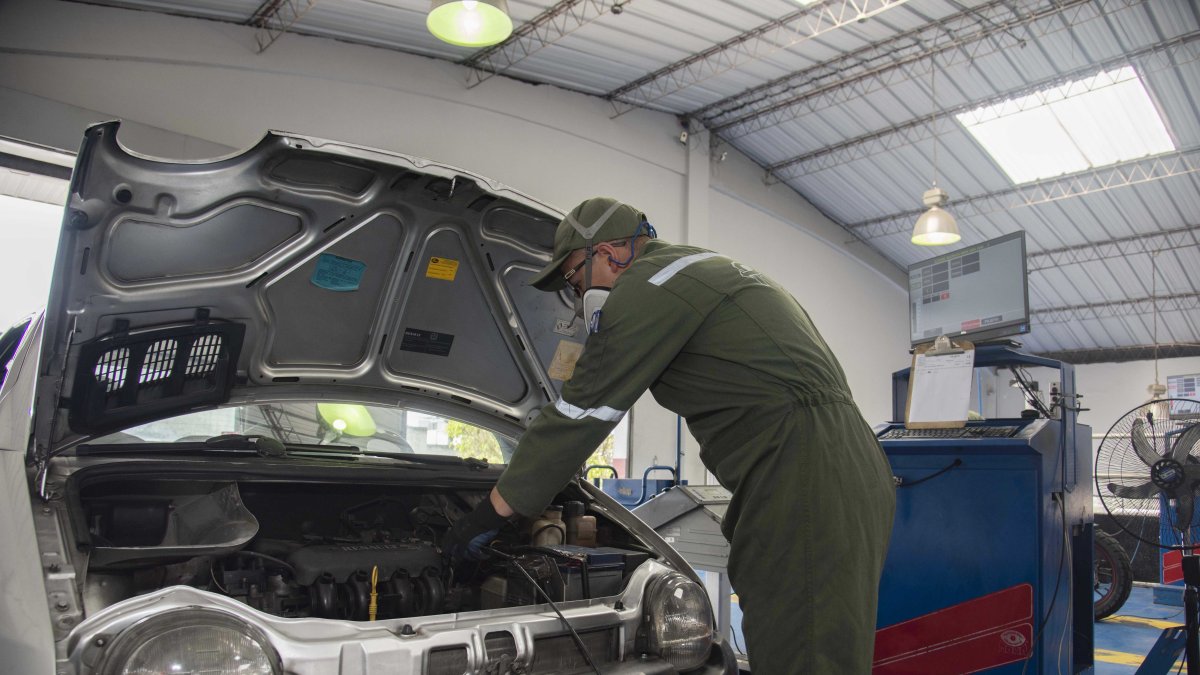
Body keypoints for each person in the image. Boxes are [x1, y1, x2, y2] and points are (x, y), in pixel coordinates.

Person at [444, 196, 896, 673]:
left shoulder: (646, 289)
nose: (577, 299)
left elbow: (579, 415)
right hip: (848, 461)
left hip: (800, 473)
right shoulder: (702, 269)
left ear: (609, 253)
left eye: (575, 280)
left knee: (802, 653)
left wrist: (487, 516)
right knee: (821, 642)